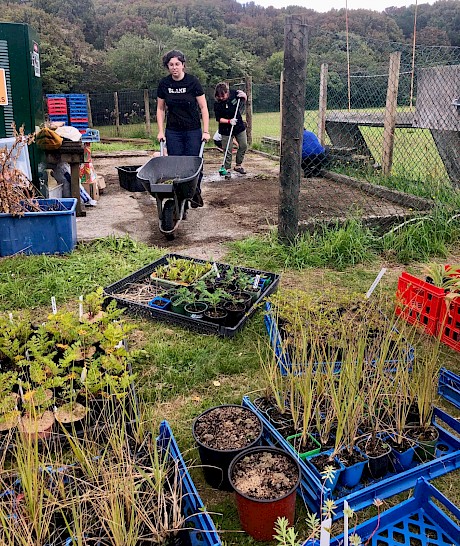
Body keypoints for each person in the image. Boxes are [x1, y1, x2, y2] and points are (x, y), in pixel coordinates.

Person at [156, 49, 210, 208]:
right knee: (175, 164)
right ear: (168, 67)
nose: (174, 67)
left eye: (177, 64)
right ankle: (180, 196)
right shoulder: (164, 84)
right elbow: (160, 109)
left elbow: (203, 107)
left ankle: (194, 191)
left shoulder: (192, 82)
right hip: (173, 131)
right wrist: (160, 131)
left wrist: (206, 131)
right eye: (171, 65)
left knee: (194, 162)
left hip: (193, 130)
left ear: (183, 65)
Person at [214, 83, 248, 179]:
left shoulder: (234, 94)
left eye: (223, 95)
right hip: (225, 128)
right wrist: (229, 121)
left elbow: (243, 101)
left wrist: (244, 96)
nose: (221, 98)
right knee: (227, 150)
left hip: (238, 126)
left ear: (227, 92)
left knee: (243, 145)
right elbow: (219, 119)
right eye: (219, 96)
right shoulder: (217, 104)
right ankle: (227, 169)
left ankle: (238, 165)